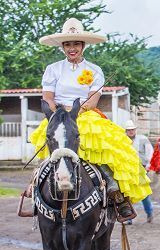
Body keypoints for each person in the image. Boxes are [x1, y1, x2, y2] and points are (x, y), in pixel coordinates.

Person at [30, 18, 151, 219]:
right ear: (62, 46)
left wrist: (73, 111)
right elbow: (48, 97)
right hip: (58, 117)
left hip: (85, 115)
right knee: (49, 151)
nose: (72, 48)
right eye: (67, 44)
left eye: (76, 43)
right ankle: (34, 190)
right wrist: (57, 113)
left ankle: (115, 193)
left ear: (83, 45)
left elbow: (92, 102)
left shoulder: (95, 70)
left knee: (105, 151)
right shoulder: (53, 69)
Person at [124, 120, 154, 223]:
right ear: (126, 131)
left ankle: (149, 212)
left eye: (132, 129)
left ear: (135, 130)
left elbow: (150, 151)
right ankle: (129, 217)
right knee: (128, 193)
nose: (131, 131)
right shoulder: (122, 140)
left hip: (141, 169)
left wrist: (149, 164)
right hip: (127, 170)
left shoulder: (143, 139)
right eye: (129, 130)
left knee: (144, 194)